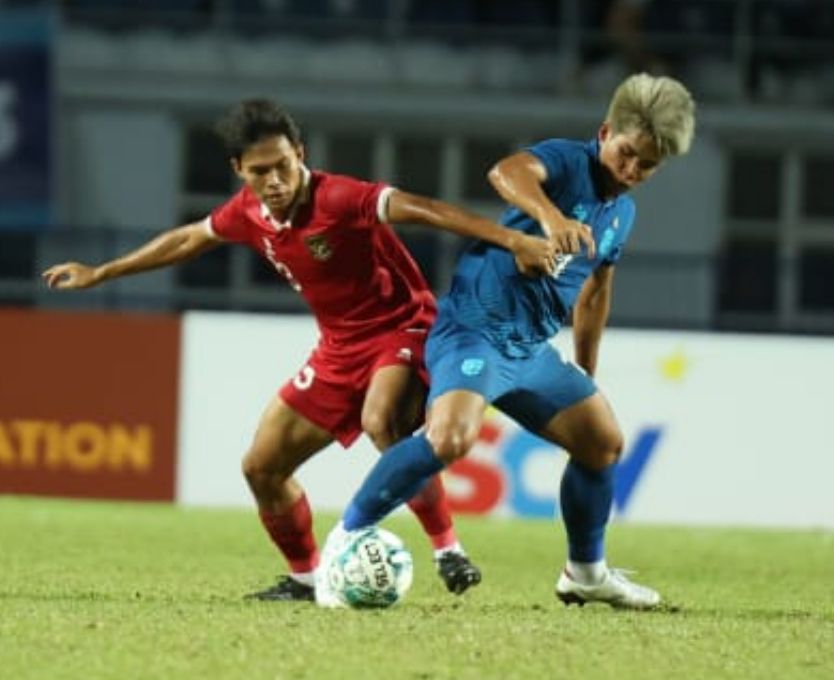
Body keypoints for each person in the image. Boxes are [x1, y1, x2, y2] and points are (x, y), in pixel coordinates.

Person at [42, 99, 556, 600]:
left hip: (405, 327)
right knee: (261, 466)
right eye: (260, 171)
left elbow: (428, 210)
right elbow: (188, 240)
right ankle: (306, 579)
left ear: (300, 154)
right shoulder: (248, 212)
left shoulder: (339, 199)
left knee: (384, 421)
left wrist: (512, 241)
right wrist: (101, 273)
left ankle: (448, 550)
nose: (275, 181)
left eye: (284, 166)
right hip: (338, 350)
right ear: (238, 169)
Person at [314, 73, 696, 609]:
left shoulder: (622, 214)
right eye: (628, 153)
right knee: (449, 438)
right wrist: (550, 216)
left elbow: (595, 291)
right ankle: (343, 542)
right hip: (474, 332)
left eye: (648, 165)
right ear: (606, 132)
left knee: (602, 442)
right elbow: (506, 172)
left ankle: (585, 573)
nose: (632, 170)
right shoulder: (568, 162)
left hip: (529, 350)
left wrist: (587, 369)